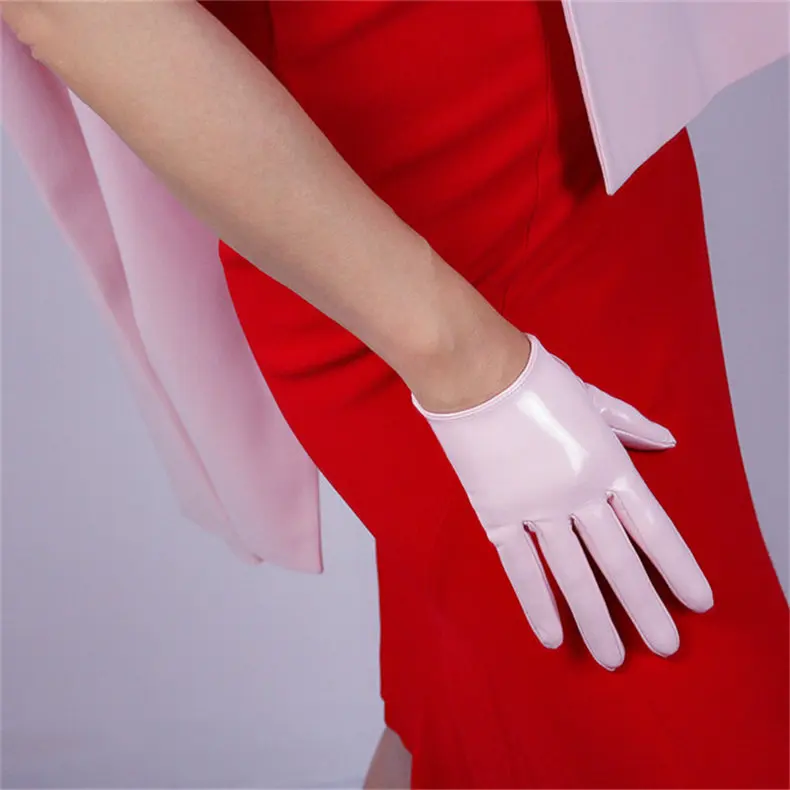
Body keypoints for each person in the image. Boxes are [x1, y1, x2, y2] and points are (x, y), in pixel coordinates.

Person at [2, 1, 787, 787]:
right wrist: (467, 365)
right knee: (708, 731)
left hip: (584, 114)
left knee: (474, 725)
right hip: (420, 220)